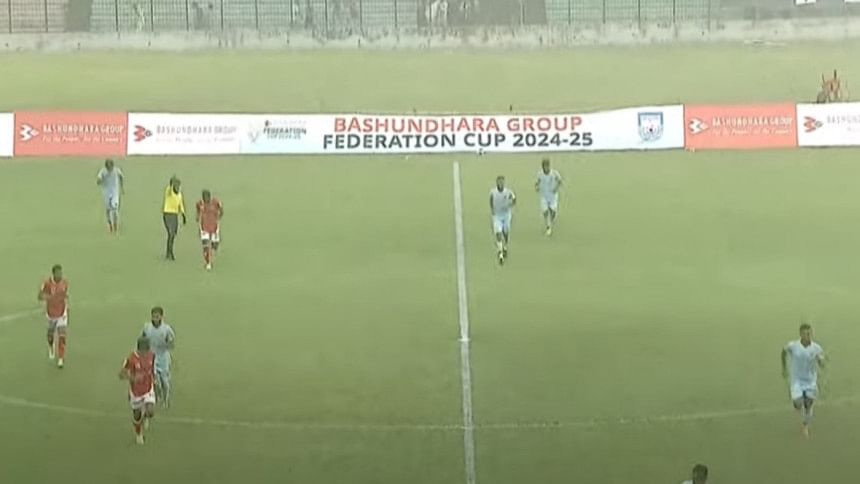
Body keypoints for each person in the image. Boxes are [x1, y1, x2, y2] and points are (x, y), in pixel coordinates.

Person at [782, 323, 826, 438]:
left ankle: (805, 426)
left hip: (810, 381)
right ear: (801, 334)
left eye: (810, 333)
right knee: (798, 403)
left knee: (808, 404)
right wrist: (784, 368)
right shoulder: (793, 346)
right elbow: (784, 351)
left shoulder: (816, 348)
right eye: (806, 333)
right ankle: (797, 404)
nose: (808, 335)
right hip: (796, 380)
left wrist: (821, 362)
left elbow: (821, 361)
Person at [120, 336, 156, 445]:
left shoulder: (151, 355)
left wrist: (154, 379)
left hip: (148, 389)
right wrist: (133, 378)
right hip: (135, 392)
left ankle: (146, 417)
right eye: (144, 350)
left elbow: (151, 368)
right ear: (140, 349)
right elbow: (121, 374)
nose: (146, 353)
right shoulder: (131, 359)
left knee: (150, 412)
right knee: (137, 415)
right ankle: (139, 434)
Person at [142, 307, 175, 408]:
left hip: (163, 358)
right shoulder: (147, 328)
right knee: (155, 380)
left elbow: (172, 345)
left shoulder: (166, 329)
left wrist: (167, 344)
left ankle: (166, 399)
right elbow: (142, 340)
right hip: (152, 357)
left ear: (161, 317)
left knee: (164, 381)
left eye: (157, 317)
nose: (155, 319)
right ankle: (157, 396)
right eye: (153, 316)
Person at [37, 264, 69, 368]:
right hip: (51, 313)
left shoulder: (65, 283)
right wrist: (49, 297)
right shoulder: (47, 283)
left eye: (61, 272)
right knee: (50, 335)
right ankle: (51, 347)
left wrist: (64, 299)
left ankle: (61, 358)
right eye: (58, 273)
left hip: (62, 313)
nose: (60, 275)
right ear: (53, 273)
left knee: (62, 336)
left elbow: (64, 295)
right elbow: (40, 296)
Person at [489, 175, 516, 265]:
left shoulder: (508, 192)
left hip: (506, 215)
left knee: (506, 232)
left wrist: (510, 204)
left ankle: (505, 246)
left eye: (502, 182)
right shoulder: (493, 192)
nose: (500, 183)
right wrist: (492, 210)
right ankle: (500, 253)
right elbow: (491, 200)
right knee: (498, 233)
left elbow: (514, 200)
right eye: (499, 182)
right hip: (497, 216)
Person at [196, 189, 224, 271]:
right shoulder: (200, 203)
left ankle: (213, 247)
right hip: (204, 227)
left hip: (214, 227)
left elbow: (221, 208)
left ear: (209, 196)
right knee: (205, 246)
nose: (205, 199)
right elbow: (198, 210)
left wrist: (219, 215)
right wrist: (198, 217)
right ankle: (208, 263)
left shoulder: (215, 202)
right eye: (203, 197)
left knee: (214, 245)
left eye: (206, 197)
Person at [534, 157, 563, 236]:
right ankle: (548, 227)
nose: (546, 167)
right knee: (545, 212)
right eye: (544, 166)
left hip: (553, 196)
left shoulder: (554, 173)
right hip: (544, 196)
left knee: (553, 212)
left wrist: (556, 188)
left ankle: (552, 219)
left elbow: (560, 181)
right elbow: (537, 182)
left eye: (547, 165)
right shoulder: (540, 174)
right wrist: (537, 187)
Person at [96, 159, 124, 234]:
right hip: (106, 194)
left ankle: (115, 226)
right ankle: (110, 224)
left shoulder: (116, 170)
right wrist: (99, 181)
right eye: (108, 167)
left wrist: (122, 187)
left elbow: (121, 177)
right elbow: (98, 180)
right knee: (108, 210)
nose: (109, 169)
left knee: (115, 209)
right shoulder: (103, 171)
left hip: (115, 193)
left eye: (110, 167)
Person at [162, 176, 187, 261]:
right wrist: (171, 182)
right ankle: (170, 253)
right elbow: (169, 187)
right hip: (167, 214)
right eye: (176, 185)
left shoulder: (179, 195)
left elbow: (181, 205)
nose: (178, 187)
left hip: (175, 215)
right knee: (171, 233)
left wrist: (183, 215)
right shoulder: (169, 192)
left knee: (173, 235)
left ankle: (169, 251)